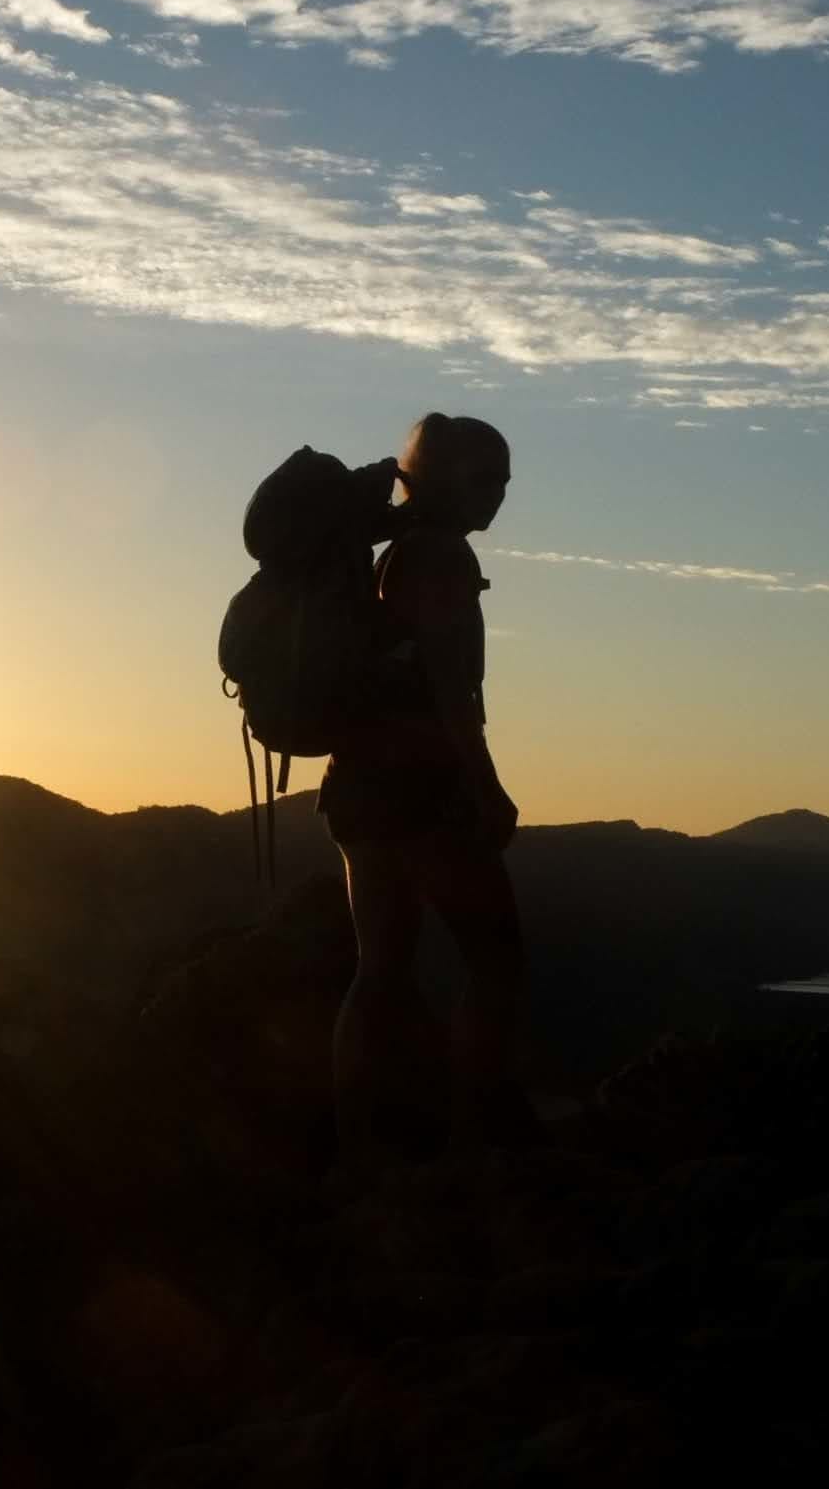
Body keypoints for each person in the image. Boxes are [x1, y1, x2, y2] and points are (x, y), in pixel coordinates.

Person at [319, 412, 525, 1167]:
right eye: (484, 477)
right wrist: (487, 787)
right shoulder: (440, 556)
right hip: (421, 790)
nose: (498, 493)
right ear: (443, 479)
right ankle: (478, 1137)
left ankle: (358, 1148)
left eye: (504, 479)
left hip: (357, 788)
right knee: (497, 961)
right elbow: (449, 689)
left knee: (380, 972)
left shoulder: (396, 554)